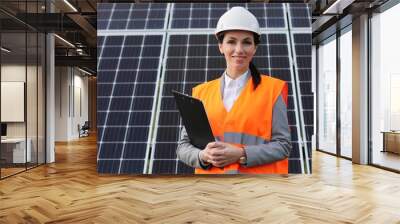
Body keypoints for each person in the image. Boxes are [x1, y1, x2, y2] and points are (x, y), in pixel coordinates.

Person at [176, 6, 292, 174]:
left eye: (246, 42)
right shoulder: (201, 93)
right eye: (231, 41)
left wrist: (241, 154)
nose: (239, 50)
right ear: (221, 46)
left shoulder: (273, 89)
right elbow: (183, 147)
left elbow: (283, 146)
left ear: (255, 48)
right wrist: (203, 156)